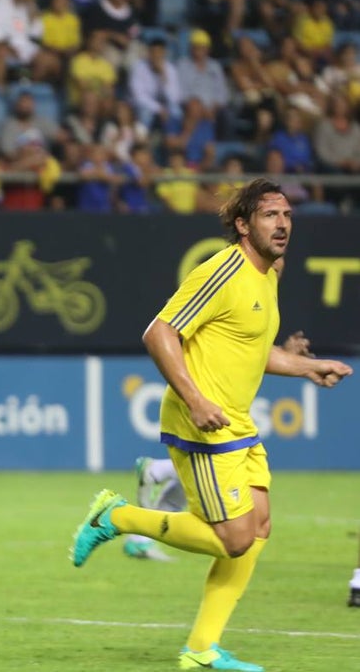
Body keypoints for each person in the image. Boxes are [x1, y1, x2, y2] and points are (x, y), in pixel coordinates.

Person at [71, 179, 353, 672]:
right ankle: (116, 517)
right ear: (243, 225)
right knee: (235, 538)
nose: (282, 223)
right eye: (269, 215)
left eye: (286, 214)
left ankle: (201, 649)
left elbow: (251, 350)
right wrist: (195, 399)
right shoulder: (223, 270)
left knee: (258, 526)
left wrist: (306, 365)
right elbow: (159, 332)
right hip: (201, 419)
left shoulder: (270, 272)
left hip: (236, 420)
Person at [127, 329, 314, 563]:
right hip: (208, 409)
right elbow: (179, 336)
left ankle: (141, 532)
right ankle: (125, 513)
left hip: (221, 409)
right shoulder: (213, 297)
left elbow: (238, 349)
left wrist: (284, 356)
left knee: (241, 515)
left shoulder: (256, 301)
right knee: (234, 532)